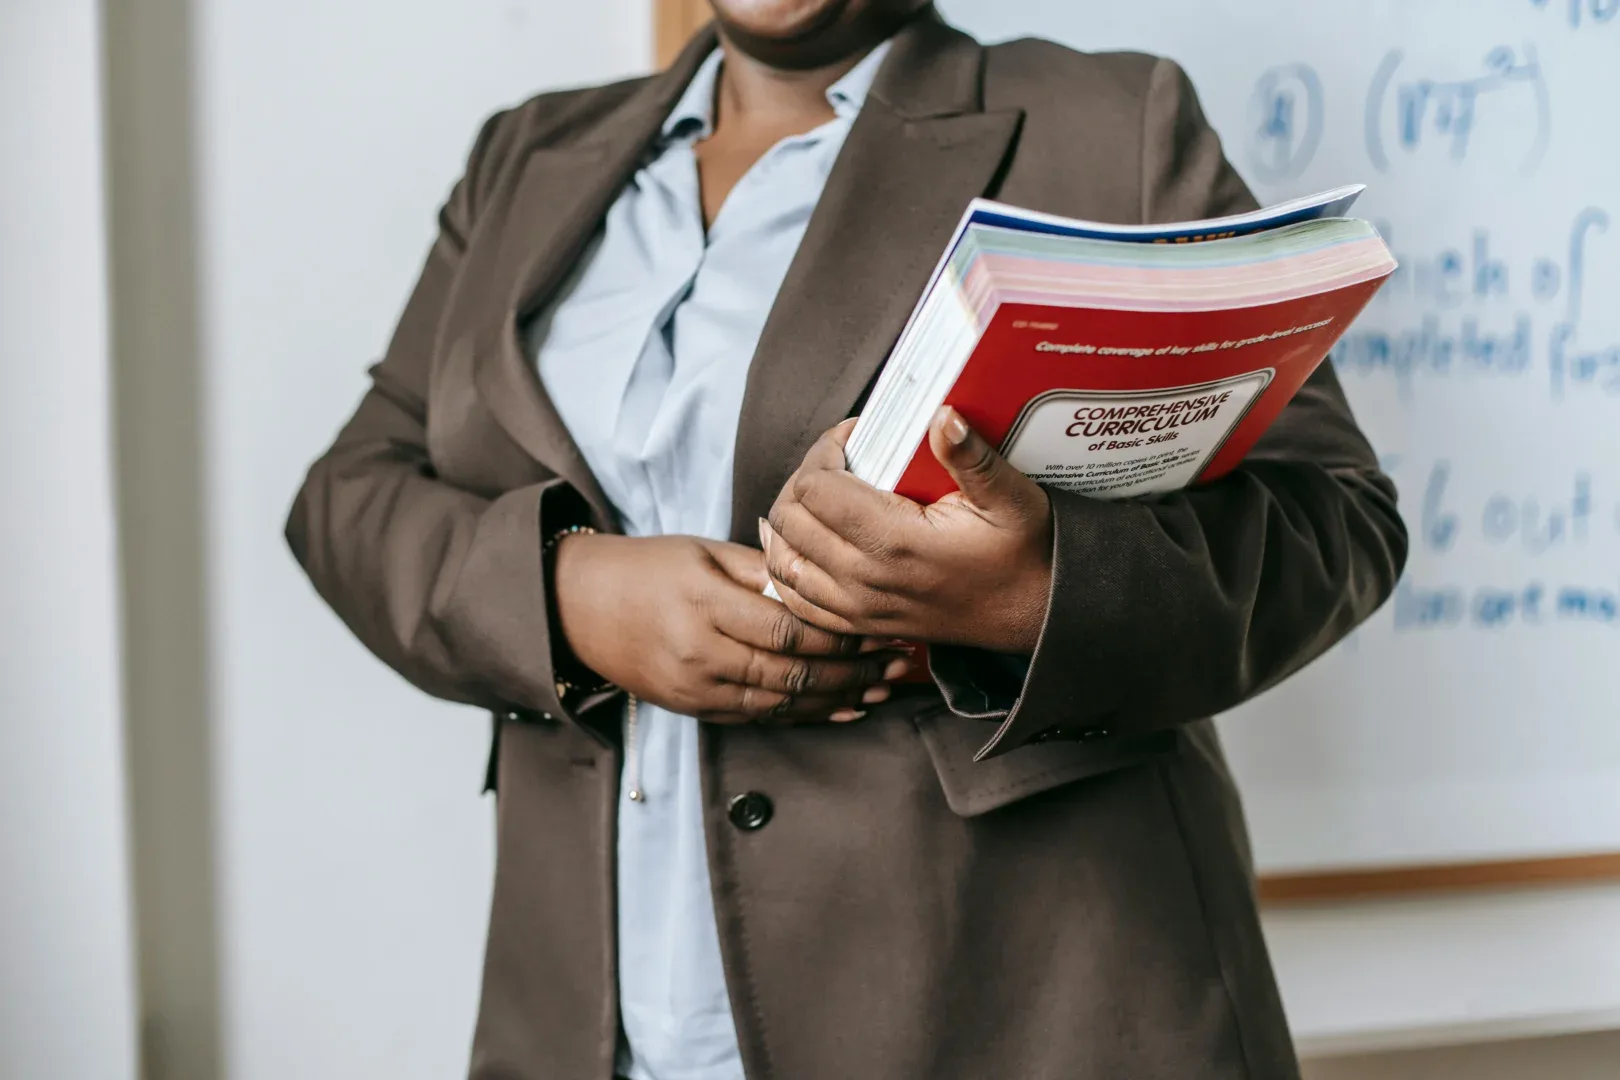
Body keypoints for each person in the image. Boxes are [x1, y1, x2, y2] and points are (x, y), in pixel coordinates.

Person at [284, 2, 1408, 1078]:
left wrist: (1029, 591)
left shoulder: (1111, 123)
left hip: (1014, 1009)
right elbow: (350, 496)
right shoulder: (528, 155)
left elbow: (1337, 520)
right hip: (591, 1017)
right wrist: (570, 596)